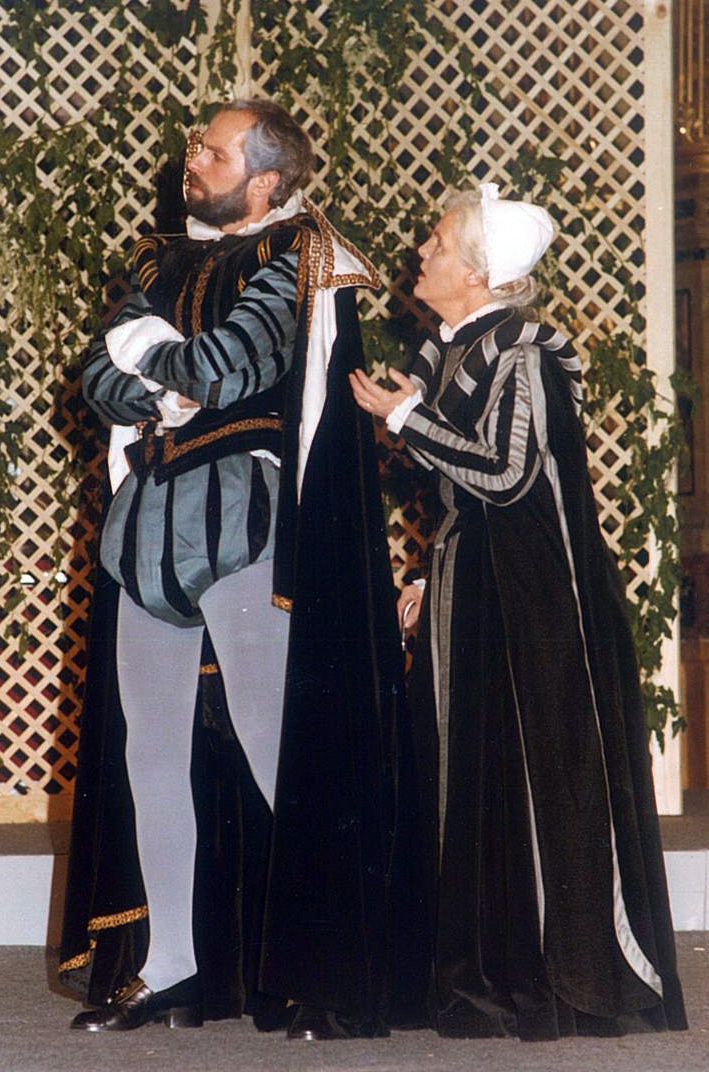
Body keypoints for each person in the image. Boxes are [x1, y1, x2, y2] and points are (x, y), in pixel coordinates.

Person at [60, 97, 428, 1039]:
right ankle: (171, 968)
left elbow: (230, 366)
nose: (192, 159)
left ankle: (331, 966)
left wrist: (148, 359)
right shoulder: (160, 260)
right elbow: (95, 376)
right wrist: (157, 378)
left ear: (264, 179)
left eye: (214, 152)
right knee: (151, 748)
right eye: (194, 145)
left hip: (246, 517)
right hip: (150, 517)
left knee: (274, 742)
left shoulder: (298, 253)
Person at [350, 184, 687, 1040]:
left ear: (478, 272)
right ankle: (478, 977)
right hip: (473, 581)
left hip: (532, 599)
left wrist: (405, 416)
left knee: (533, 780)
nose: (420, 252)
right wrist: (427, 567)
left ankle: (547, 980)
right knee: (472, 776)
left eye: (435, 243)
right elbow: (461, 493)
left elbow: (506, 474)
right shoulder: (453, 350)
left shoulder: (524, 355)